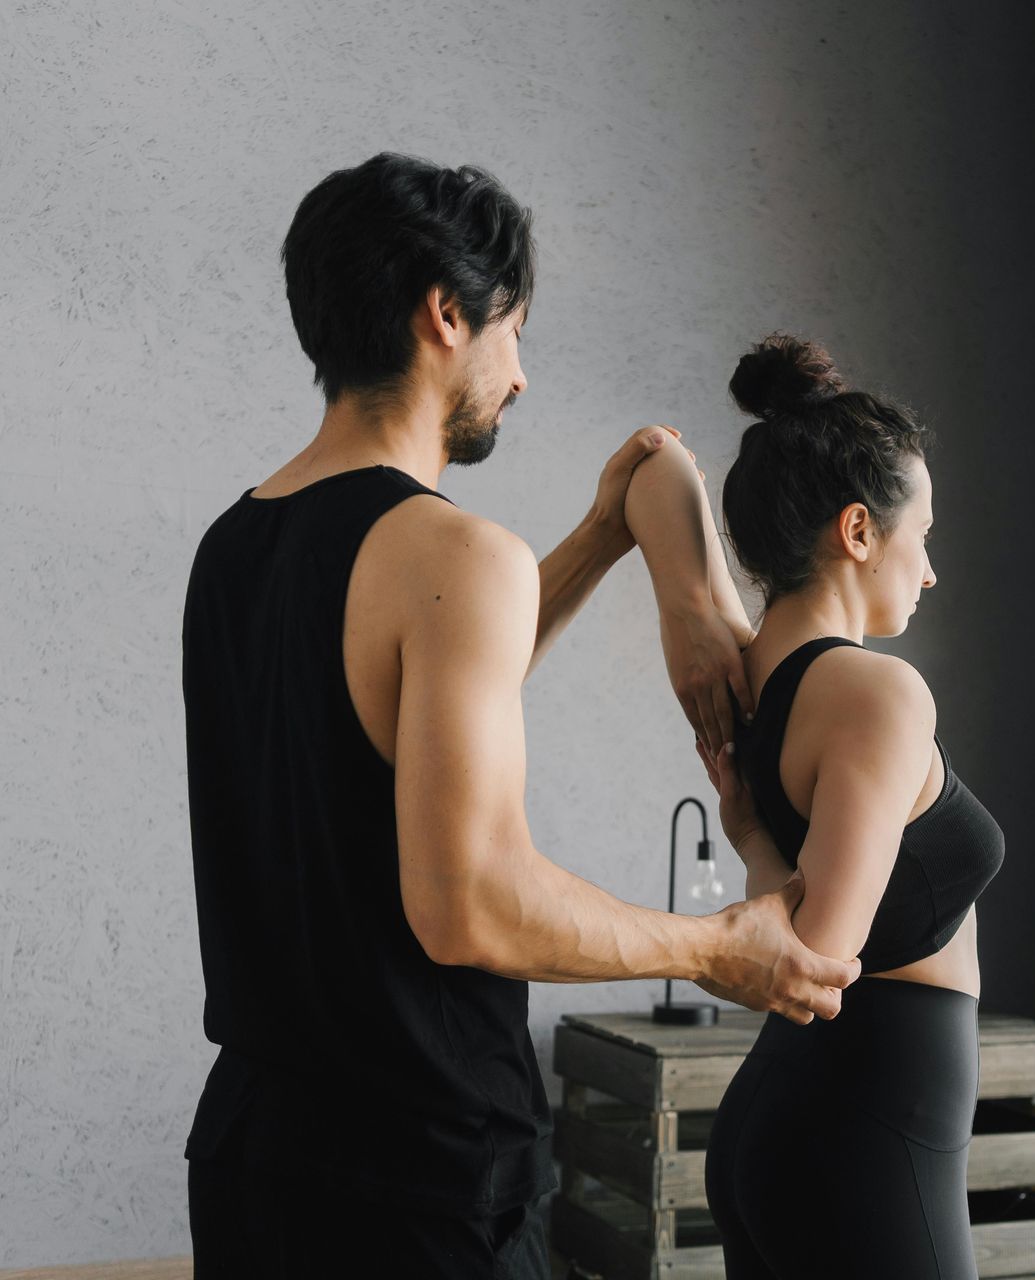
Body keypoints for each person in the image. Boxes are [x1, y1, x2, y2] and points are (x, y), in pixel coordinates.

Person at [178, 155, 860, 1279]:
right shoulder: (451, 555)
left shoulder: (235, 543)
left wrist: (600, 535)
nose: (523, 376)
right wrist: (715, 948)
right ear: (446, 313)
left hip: (256, 1151)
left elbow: (396, 708)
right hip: (420, 1178)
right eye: (514, 331)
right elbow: (472, 906)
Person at [627, 334, 1007, 1279]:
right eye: (921, 539)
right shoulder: (880, 695)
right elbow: (817, 962)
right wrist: (683, 608)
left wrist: (686, 609)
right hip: (869, 1144)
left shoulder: (752, 673)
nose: (928, 572)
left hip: (795, 1129)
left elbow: (653, 460)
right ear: (859, 532)